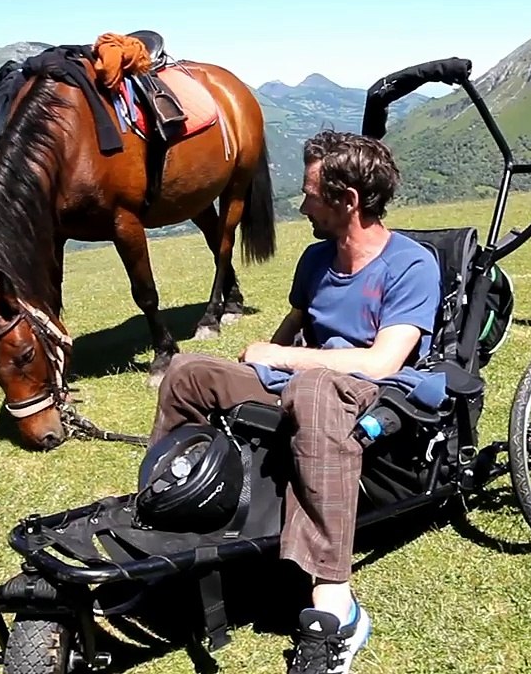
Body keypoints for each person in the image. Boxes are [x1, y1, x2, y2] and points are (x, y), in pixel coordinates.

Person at [148, 129, 442, 674]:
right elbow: (293, 330)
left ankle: (337, 604)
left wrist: (284, 359)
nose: (301, 202)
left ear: (346, 200)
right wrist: (263, 358)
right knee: (189, 371)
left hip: (371, 391)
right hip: (304, 379)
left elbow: (383, 362)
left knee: (312, 387)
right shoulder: (315, 260)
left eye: (309, 193)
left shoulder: (412, 265)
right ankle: (174, 503)